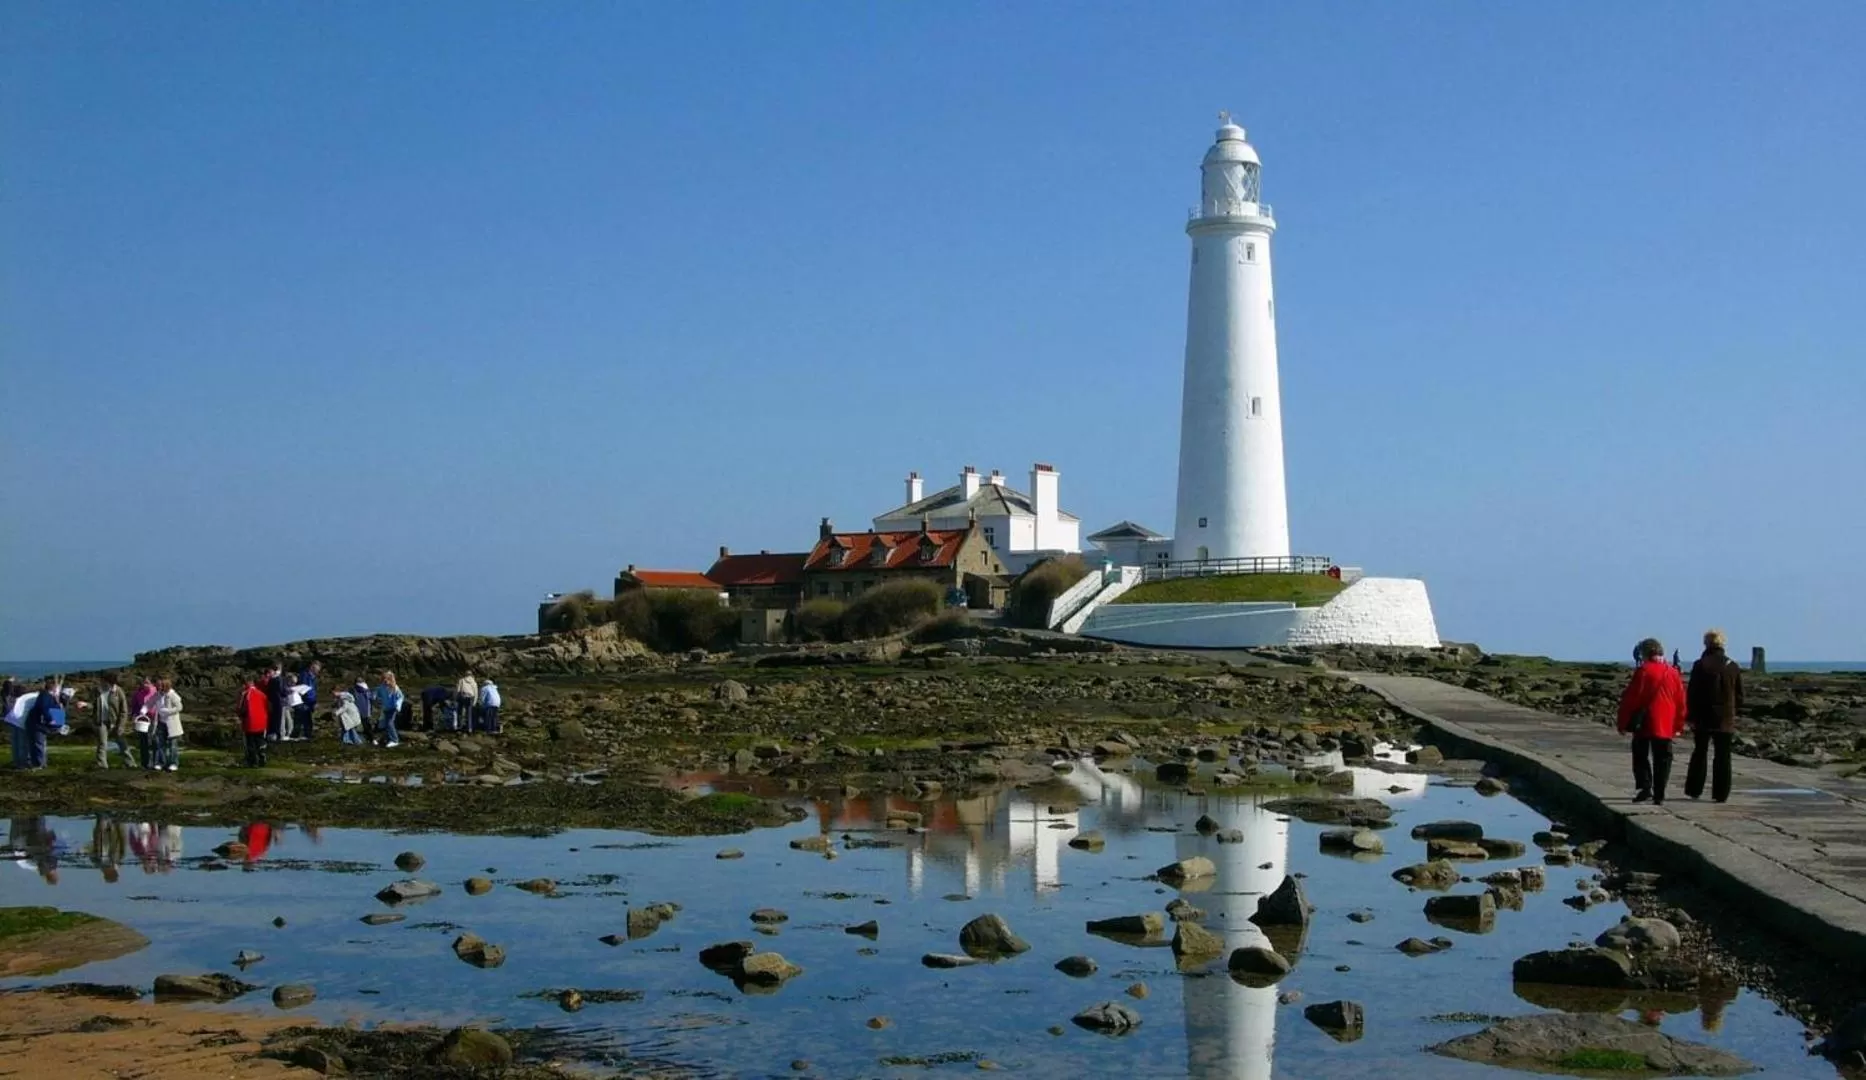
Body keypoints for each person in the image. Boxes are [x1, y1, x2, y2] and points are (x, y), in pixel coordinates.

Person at [1617, 637, 1687, 805]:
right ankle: (1660, 793)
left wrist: (1623, 722)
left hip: (1646, 721)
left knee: (1640, 754)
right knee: (1663, 758)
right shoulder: (1673, 672)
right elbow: (1681, 701)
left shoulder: (1643, 671)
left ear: (1645, 653)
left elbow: (1631, 699)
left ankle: (1645, 786)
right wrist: (1678, 724)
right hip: (1666, 722)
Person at [1686, 628, 1744, 803]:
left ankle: (1694, 789)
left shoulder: (1699, 665)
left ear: (1706, 644)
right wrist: (1734, 712)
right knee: (1723, 756)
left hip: (1703, 716)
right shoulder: (1732, 666)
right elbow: (1740, 695)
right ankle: (1721, 793)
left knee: (1700, 752)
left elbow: (1692, 693)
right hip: (1725, 718)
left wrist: (1690, 715)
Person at [94, 673, 135, 769]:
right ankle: (102, 765)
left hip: (115, 722)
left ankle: (130, 763)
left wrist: (121, 725)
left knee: (122, 743)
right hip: (101, 721)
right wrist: (85, 705)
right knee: (102, 743)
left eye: (103, 680)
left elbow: (124, 711)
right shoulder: (97, 691)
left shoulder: (118, 691)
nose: (101, 682)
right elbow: (93, 705)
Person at [154, 678, 184, 772]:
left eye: (161, 685)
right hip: (161, 723)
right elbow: (151, 704)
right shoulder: (158, 694)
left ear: (166, 686)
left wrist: (168, 711)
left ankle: (173, 763)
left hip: (172, 724)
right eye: (158, 685)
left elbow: (180, 707)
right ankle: (160, 763)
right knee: (160, 744)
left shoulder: (172, 695)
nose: (159, 687)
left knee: (173, 745)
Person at [239, 675, 270, 767]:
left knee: (250, 743)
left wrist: (240, 715)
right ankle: (262, 756)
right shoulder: (262, 694)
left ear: (245, 684)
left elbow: (241, 709)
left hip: (250, 723)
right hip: (262, 722)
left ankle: (252, 762)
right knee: (260, 740)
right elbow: (268, 707)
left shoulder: (245, 694)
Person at [131, 676, 159, 770]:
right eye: (144, 683)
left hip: (155, 719)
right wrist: (134, 716)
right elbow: (134, 706)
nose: (145, 685)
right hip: (142, 720)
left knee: (154, 741)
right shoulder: (138, 693)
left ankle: (156, 762)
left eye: (147, 683)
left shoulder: (156, 692)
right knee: (143, 742)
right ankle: (144, 763)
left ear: (152, 683)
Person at [373, 671, 404, 748]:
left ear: (391, 679)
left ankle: (395, 740)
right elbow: (377, 693)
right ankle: (386, 738)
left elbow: (400, 697)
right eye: (384, 679)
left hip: (393, 708)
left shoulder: (395, 688)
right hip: (385, 708)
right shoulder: (381, 687)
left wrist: (398, 706)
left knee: (390, 723)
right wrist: (375, 697)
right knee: (385, 724)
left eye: (387, 679)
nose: (385, 681)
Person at [295, 661, 321, 741]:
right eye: (317, 668)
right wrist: (309, 700)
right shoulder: (305, 675)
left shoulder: (313, 677)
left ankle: (307, 734)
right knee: (302, 718)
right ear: (312, 667)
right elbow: (304, 689)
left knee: (307, 718)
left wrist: (314, 701)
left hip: (310, 701)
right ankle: (299, 735)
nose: (318, 671)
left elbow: (313, 689)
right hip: (304, 701)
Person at [263, 663, 286, 742]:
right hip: (278, 702)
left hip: (272, 702)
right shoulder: (278, 679)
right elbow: (281, 691)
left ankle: (272, 735)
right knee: (278, 720)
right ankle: (277, 736)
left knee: (273, 720)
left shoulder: (272, 680)